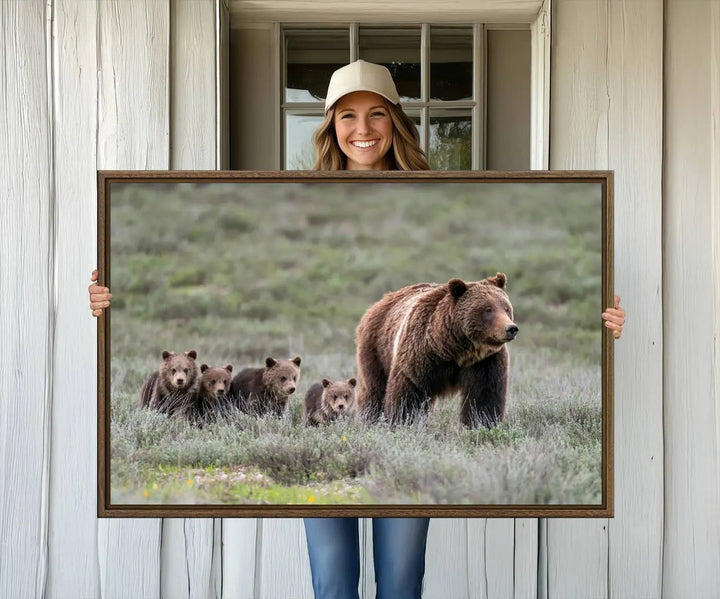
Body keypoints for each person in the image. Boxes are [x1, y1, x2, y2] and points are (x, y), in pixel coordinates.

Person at [88, 60, 626, 599]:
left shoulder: (443, 192)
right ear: (330, 125)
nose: (362, 130)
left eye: (376, 115)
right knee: (334, 578)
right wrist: (104, 298)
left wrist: (606, 322)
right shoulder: (290, 195)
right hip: (387, 337)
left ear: (396, 121)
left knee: (400, 579)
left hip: (434, 334)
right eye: (347, 116)